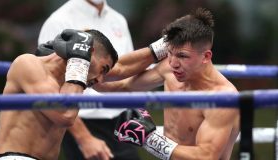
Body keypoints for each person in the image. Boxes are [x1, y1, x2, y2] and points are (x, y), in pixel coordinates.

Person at [96, 8, 240, 160]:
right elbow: (119, 85)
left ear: (206, 56)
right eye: (169, 53)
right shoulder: (169, 70)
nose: (173, 63)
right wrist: (88, 70)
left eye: (182, 56)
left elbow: (207, 156)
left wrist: (150, 140)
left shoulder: (223, 98)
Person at [0, 29, 119, 160]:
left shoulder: (67, 84)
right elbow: (65, 115)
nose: (100, 79)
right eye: (103, 69)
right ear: (89, 52)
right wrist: (79, 63)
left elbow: (125, 72)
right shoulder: (28, 64)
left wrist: (144, 52)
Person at [37, 0, 139, 159]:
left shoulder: (118, 20)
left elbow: (127, 72)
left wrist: (136, 111)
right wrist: (84, 138)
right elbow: (50, 88)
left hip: (122, 121)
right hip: (81, 121)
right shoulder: (59, 20)